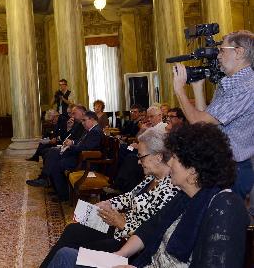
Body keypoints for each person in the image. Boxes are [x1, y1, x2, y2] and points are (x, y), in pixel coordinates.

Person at [49, 123, 249, 268]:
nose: (170, 164)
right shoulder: (187, 197)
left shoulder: (225, 208)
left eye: (176, 159)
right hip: (141, 262)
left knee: (67, 257)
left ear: (193, 170)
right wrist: (117, 257)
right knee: (67, 255)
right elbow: (150, 229)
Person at [40, 128, 178, 267]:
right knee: (73, 231)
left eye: (141, 157)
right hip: (119, 227)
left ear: (158, 157)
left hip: (128, 243)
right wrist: (108, 203)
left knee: (72, 252)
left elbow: (154, 234)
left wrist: (122, 224)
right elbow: (130, 197)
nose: (138, 161)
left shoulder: (171, 190)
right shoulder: (152, 177)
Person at [173, 30, 254, 200]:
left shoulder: (246, 86)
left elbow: (197, 120)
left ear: (238, 52)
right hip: (220, 166)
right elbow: (205, 124)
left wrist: (179, 90)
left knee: (222, 224)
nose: (217, 56)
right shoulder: (229, 82)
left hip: (233, 171)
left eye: (222, 50)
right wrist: (197, 87)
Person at [29, 111, 103, 202]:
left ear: (92, 119)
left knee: (57, 163)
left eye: (84, 120)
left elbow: (85, 148)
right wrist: (72, 143)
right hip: (80, 157)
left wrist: (70, 146)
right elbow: (81, 143)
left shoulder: (96, 131)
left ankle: (61, 193)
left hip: (86, 162)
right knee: (53, 153)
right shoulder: (91, 130)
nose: (82, 123)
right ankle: (49, 182)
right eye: (82, 120)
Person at [26, 105, 89, 186]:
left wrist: (71, 143)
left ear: (83, 113)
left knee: (52, 153)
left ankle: (45, 179)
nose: (72, 116)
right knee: (50, 152)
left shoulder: (85, 125)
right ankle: (46, 180)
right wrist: (69, 128)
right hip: (70, 148)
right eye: (71, 113)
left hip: (77, 154)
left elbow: (81, 142)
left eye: (74, 113)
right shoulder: (78, 124)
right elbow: (69, 137)